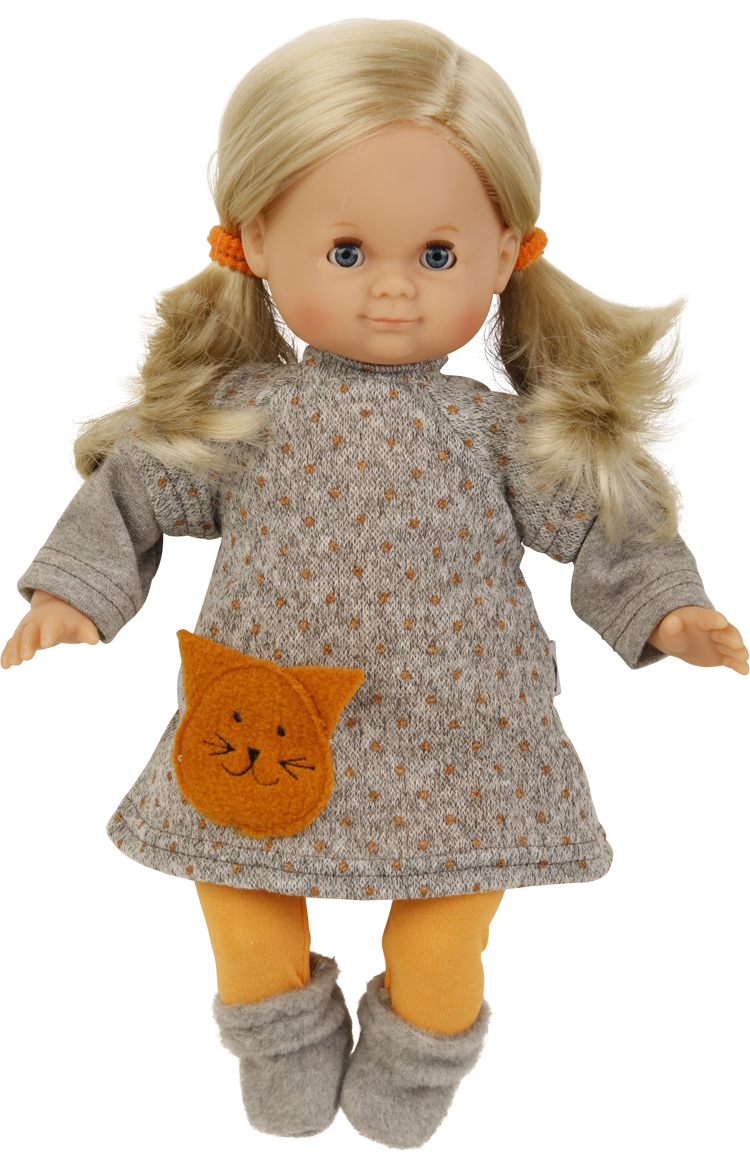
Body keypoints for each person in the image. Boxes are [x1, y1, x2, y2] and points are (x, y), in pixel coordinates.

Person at [2, 19, 747, 1150]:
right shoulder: (245, 417)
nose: (393, 290)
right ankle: (281, 1041)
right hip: (271, 723)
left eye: (437, 257)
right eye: (348, 253)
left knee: (444, 936)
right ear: (258, 238)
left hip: (462, 735)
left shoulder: (496, 436)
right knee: (240, 899)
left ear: (507, 253)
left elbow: (606, 519)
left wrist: (669, 610)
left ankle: (417, 1058)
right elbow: (135, 489)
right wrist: (76, 594)